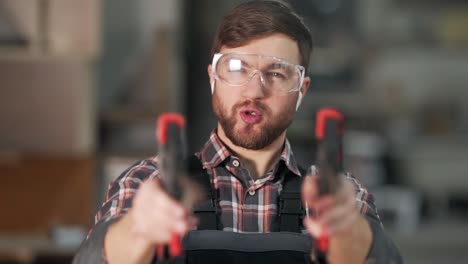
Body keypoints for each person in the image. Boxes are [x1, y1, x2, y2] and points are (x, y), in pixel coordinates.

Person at [74, 1, 401, 263]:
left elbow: (380, 256)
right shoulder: (149, 183)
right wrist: (139, 229)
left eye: (277, 73)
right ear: (213, 78)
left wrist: (347, 232)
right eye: (235, 69)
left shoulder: (340, 196)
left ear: (302, 90)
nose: (254, 91)